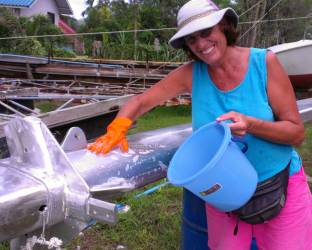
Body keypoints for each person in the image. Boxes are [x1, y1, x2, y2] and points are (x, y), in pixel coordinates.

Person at [88, 0, 312, 249]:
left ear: (224, 26)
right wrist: (117, 127)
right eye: (192, 40)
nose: (201, 44)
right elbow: (140, 102)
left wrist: (250, 124)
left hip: (279, 186)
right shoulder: (191, 73)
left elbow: (296, 133)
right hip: (223, 193)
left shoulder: (263, 63)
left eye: (206, 32)